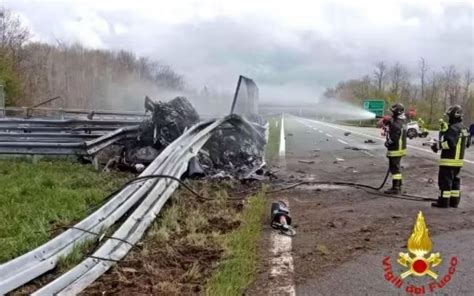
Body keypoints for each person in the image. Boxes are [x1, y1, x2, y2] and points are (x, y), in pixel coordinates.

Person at [431, 105, 470, 208]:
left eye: (449, 116)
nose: (448, 118)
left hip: (448, 160)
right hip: (458, 162)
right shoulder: (464, 128)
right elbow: (467, 144)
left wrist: (437, 146)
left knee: (445, 182)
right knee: (455, 182)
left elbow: (449, 144)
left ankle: (443, 202)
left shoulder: (453, 128)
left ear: (454, 116)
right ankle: (454, 202)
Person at [384, 103, 407, 194]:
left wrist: (387, 143)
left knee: (394, 168)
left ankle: (395, 188)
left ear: (397, 112)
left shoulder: (396, 124)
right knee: (396, 166)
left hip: (396, 148)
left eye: (393, 112)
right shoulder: (403, 121)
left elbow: (394, 137)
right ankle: (399, 184)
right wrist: (389, 121)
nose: (392, 113)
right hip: (401, 148)